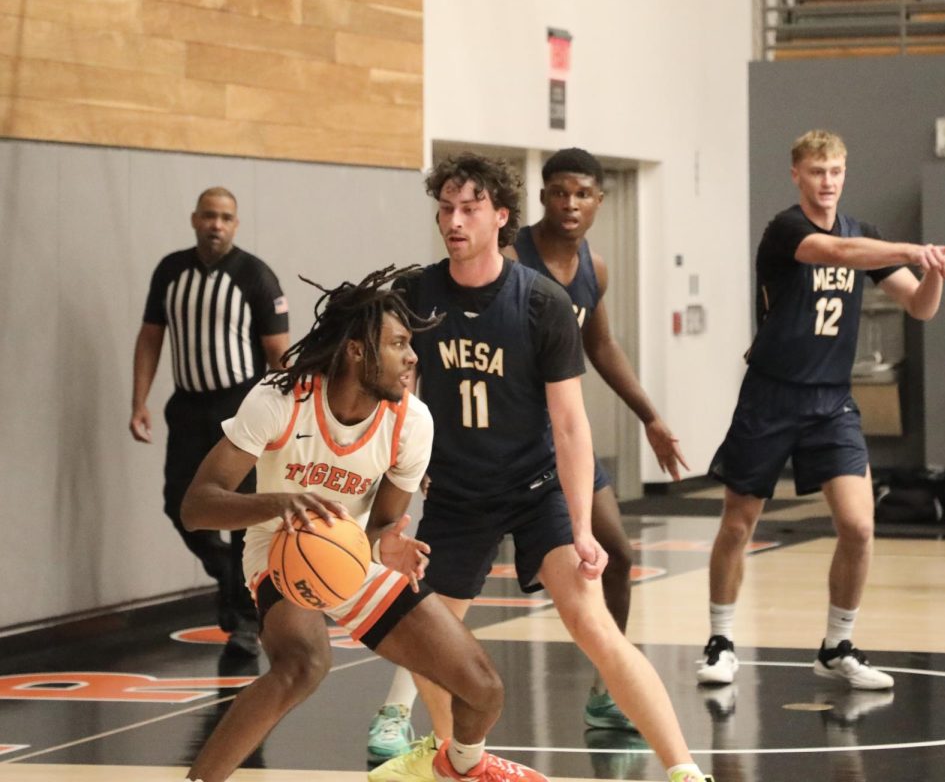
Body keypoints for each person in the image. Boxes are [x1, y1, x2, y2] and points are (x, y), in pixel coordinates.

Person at [370, 153, 712, 782]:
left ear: (501, 217)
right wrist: (391, 513)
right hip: (456, 495)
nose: (453, 220)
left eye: (469, 208)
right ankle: (458, 761)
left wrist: (581, 526)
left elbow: (572, 425)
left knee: (593, 624)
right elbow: (392, 403)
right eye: (445, 208)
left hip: (535, 487)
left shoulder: (541, 303)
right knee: (427, 639)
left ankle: (685, 770)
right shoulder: (414, 296)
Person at [180, 265, 545, 782]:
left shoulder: (412, 423)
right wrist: (277, 504)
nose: (413, 357)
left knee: (483, 688)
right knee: (303, 664)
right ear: (357, 350)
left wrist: (383, 549)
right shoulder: (281, 400)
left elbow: (382, 527)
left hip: (350, 551)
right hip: (280, 550)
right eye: (399, 343)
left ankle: (457, 766)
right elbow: (198, 506)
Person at [699, 129, 945, 690]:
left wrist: (933, 274)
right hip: (771, 394)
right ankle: (720, 639)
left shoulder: (864, 233)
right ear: (797, 174)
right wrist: (911, 249)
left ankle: (837, 646)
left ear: (846, 174)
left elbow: (918, 306)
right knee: (739, 521)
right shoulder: (786, 230)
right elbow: (836, 253)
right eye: (817, 172)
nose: (827, 183)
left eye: (836, 172)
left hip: (831, 402)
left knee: (859, 526)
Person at [130, 187, 289, 658]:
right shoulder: (170, 271)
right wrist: (139, 401)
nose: (216, 225)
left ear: (236, 224)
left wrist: (287, 423)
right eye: (209, 216)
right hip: (187, 408)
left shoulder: (255, 276)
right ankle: (226, 576)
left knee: (241, 516)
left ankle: (244, 619)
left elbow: (280, 356)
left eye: (226, 217)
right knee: (178, 505)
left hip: (240, 410)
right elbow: (150, 336)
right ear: (194, 219)